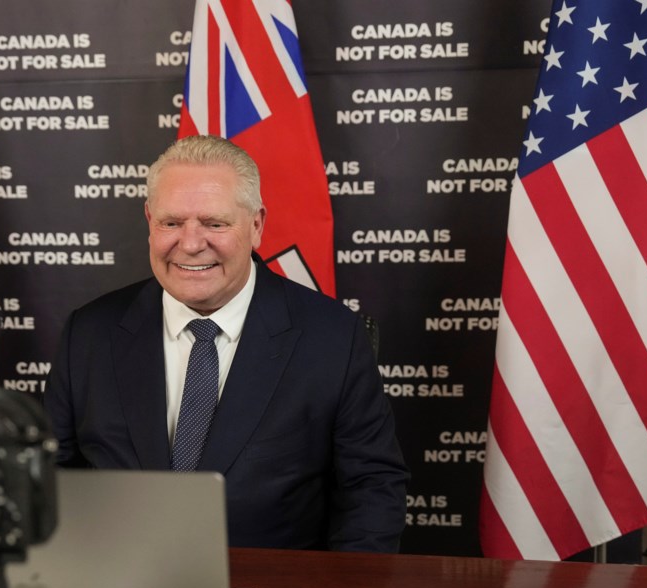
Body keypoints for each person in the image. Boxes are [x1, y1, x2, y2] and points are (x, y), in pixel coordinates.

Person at [44, 135, 409, 552]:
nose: (192, 243)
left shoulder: (333, 337)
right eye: (171, 222)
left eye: (215, 224)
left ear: (256, 225)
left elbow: (371, 488)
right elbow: (49, 477)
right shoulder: (89, 332)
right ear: (149, 220)